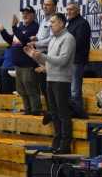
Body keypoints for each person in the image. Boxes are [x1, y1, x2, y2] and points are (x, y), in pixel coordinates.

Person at [25, 13, 76, 154]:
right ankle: (57, 140)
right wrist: (35, 57)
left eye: (53, 23)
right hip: (51, 78)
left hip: (62, 80)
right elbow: (48, 62)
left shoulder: (68, 38)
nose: (50, 26)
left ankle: (65, 144)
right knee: (54, 113)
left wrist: (42, 56)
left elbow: (62, 61)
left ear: (61, 23)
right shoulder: (53, 39)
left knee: (63, 113)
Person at [0, 6, 41, 115]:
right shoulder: (20, 27)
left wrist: (14, 27)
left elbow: (24, 40)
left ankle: (35, 110)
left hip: (28, 64)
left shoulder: (35, 27)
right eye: (23, 13)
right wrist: (2, 31)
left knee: (31, 89)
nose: (24, 15)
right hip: (18, 65)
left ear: (33, 15)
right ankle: (28, 109)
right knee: (21, 90)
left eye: (27, 13)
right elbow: (12, 41)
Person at [30, 0, 58, 123]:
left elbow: (52, 40)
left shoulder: (55, 20)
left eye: (48, 4)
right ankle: (51, 111)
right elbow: (42, 37)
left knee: (50, 88)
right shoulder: (43, 21)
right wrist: (36, 38)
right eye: (44, 4)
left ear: (54, 6)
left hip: (48, 56)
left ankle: (55, 112)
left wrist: (37, 43)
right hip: (40, 56)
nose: (45, 7)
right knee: (43, 87)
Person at [66, 1, 91, 116]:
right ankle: (73, 110)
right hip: (69, 60)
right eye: (67, 9)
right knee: (70, 89)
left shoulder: (82, 23)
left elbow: (79, 43)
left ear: (78, 10)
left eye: (71, 9)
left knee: (75, 89)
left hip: (77, 60)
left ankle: (78, 111)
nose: (69, 12)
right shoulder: (70, 24)